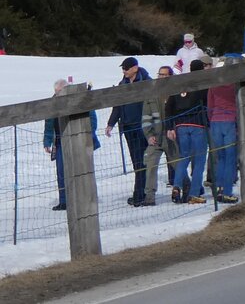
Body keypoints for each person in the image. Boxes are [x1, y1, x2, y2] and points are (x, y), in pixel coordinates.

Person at [43, 79, 100, 210]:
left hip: (78, 140)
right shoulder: (52, 103)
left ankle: (85, 198)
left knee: (82, 169)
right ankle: (64, 201)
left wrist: (87, 135)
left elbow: (92, 119)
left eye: (59, 92)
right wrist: (47, 141)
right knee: (61, 172)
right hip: (60, 141)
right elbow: (49, 123)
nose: (57, 95)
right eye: (56, 92)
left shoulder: (79, 100)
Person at [105, 57, 151, 206]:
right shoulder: (122, 84)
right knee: (137, 162)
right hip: (128, 127)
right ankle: (141, 193)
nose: (124, 71)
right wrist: (111, 123)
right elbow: (118, 106)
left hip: (142, 127)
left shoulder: (146, 82)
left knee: (142, 161)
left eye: (126, 68)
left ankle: (141, 194)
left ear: (135, 68)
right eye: (123, 68)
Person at [165, 60, 209, 204]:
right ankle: (194, 193)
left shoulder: (180, 83)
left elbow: (168, 107)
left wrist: (169, 127)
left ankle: (177, 186)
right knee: (199, 160)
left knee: (184, 157)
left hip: (180, 125)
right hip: (198, 124)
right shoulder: (203, 83)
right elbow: (208, 103)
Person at [140, 65, 179, 206]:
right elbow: (146, 117)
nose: (162, 77)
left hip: (171, 135)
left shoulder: (176, 91)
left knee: (177, 164)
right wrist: (149, 135)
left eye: (165, 75)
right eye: (160, 74)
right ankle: (149, 196)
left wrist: (175, 130)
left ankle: (184, 188)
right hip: (156, 137)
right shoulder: (151, 93)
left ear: (170, 76)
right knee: (150, 165)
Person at [207, 58, 239, 204]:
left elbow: (210, 105)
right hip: (230, 120)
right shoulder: (234, 84)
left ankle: (219, 188)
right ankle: (227, 191)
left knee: (220, 158)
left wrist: (212, 119)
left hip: (215, 121)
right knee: (230, 158)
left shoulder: (213, 86)